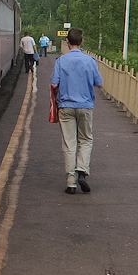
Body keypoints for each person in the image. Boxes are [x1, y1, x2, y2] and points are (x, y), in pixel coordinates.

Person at [50, 28, 103, 195]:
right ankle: (81, 170)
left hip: (65, 106)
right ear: (81, 41)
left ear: (67, 41)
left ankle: (71, 182)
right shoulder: (90, 61)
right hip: (85, 106)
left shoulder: (61, 61)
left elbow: (53, 84)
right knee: (86, 140)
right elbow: (99, 82)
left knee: (69, 143)